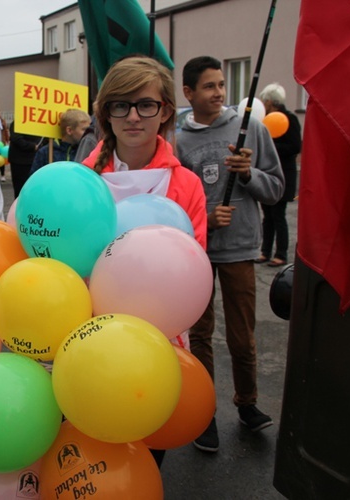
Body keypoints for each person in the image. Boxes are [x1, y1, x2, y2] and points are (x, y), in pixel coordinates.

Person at [176, 56, 284, 453]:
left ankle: (248, 403)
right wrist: (205, 217)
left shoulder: (250, 127)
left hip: (239, 249)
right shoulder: (178, 140)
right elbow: (175, 201)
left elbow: (275, 189)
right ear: (188, 93)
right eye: (208, 86)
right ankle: (204, 413)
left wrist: (248, 175)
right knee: (199, 334)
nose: (219, 92)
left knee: (243, 336)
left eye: (221, 84)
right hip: (197, 252)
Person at [81, 55, 207, 250]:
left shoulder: (188, 186)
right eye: (121, 105)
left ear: (165, 112)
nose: (133, 117)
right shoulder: (82, 183)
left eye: (146, 105)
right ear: (107, 113)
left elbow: (192, 262)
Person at [255, 83, 302, 267]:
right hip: (267, 173)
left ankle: (281, 254)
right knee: (267, 215)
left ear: (269, 101)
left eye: (264, 101)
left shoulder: (289, 119)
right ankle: (265, 251)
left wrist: (272, 149)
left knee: (278, 215)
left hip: (283, 175)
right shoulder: (265, 120)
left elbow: (295, 146)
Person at [30, 109, 91, 174]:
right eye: (84, 129)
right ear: (69, 130)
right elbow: (35, 179)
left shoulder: (87, 152)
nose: (88, 133)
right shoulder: (45, 152)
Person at [7, 120, 43, 197]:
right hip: (19, 161)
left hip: (35, 159)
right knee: (20, 190)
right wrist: (32, 146)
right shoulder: (18, 121)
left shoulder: (38, 122)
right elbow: (16, 138)